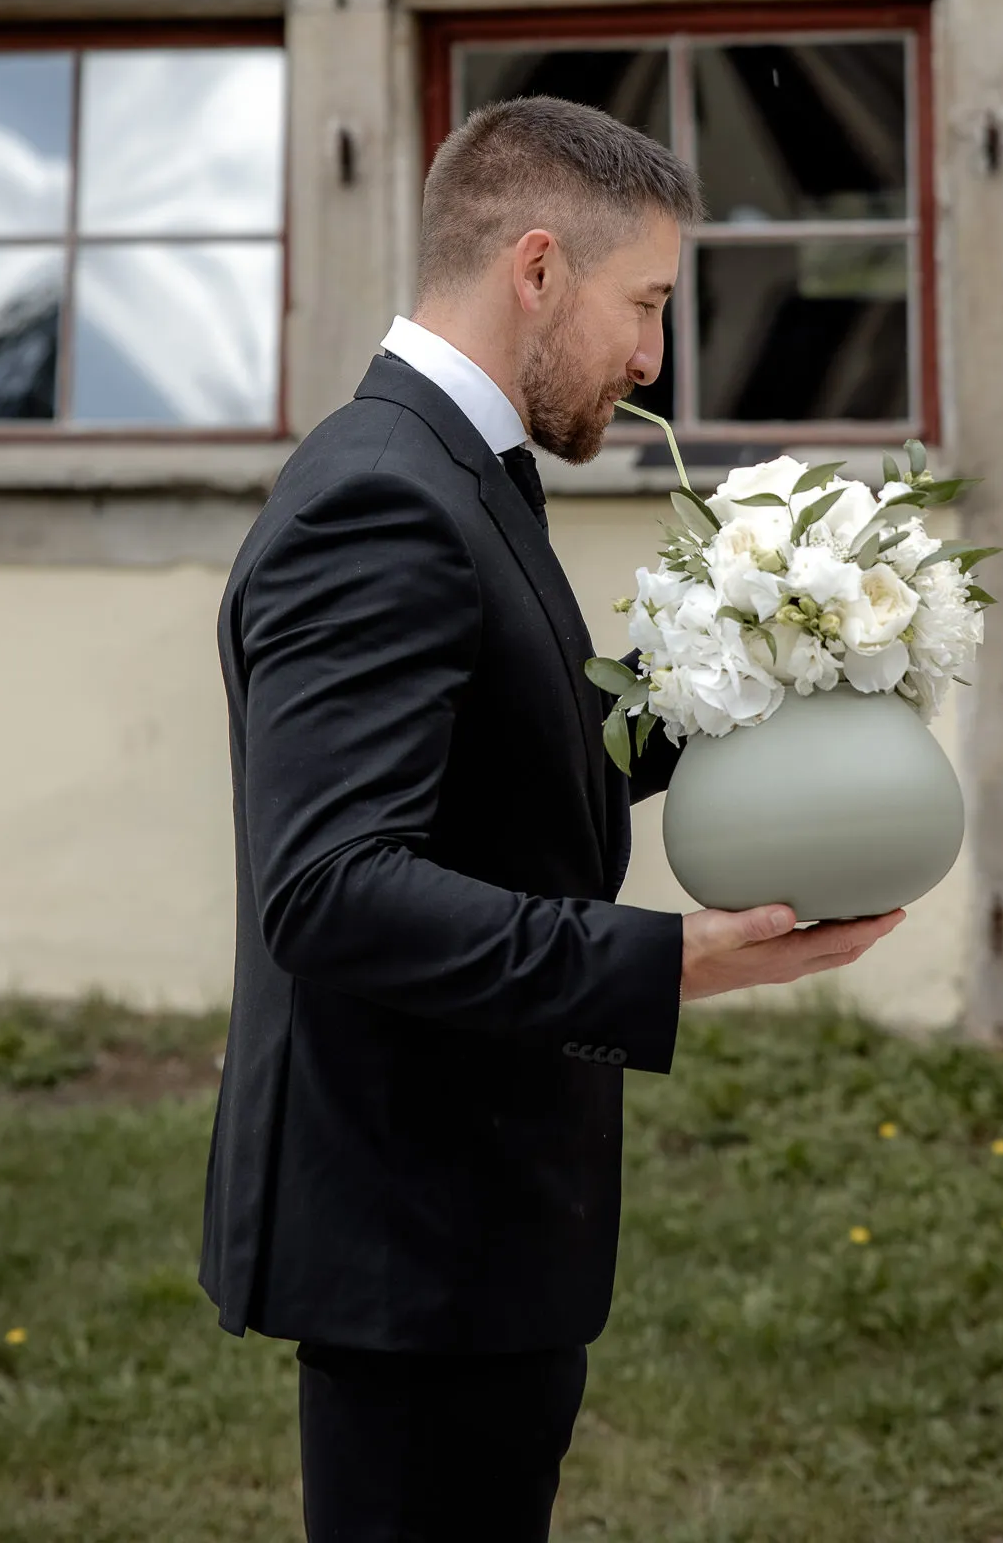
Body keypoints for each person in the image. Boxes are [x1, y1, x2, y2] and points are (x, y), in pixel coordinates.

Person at [199, 96, 905, 1542]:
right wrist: (672, 960)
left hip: (475, 1227)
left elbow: (518, 753)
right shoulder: (379, 502)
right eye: (644, 304)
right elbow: (331, 888)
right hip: (414, 1243)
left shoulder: (450, 469)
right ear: (536, 268)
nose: (652, 357)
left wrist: (752, 650)